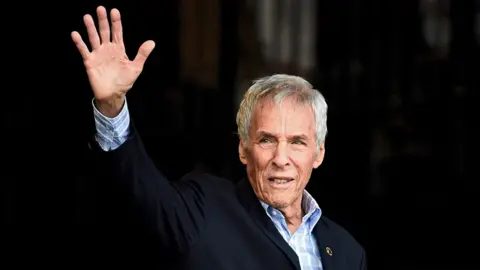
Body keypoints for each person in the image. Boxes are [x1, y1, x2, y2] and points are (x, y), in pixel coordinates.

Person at [72, 6, 367, 270]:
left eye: (297, 142)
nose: (281, 158)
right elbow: (144, 196)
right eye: (267, 140)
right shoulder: (203, 211)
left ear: (319, 153)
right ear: (243, 148)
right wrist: (112, 108)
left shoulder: (347, 253)